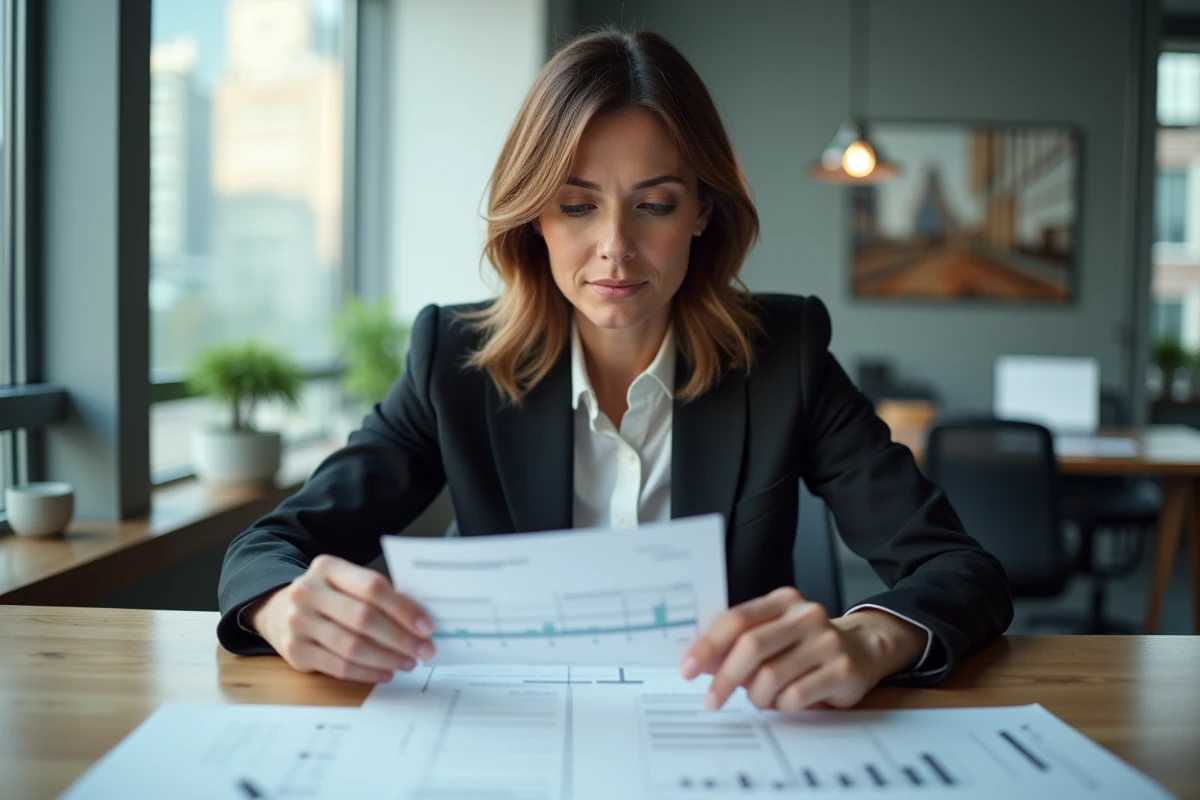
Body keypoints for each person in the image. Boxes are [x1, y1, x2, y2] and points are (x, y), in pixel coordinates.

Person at [217, 28, 1011, 712]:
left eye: (654, 205)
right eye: (576, 205)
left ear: (702, 211)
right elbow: (271, 546)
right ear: (533, 215)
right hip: (509, 740)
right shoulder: (452, 362)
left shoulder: (784, 356)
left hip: (724, 738)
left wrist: (868, 638)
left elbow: (958, 567)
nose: (615, 249)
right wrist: (281, 606)